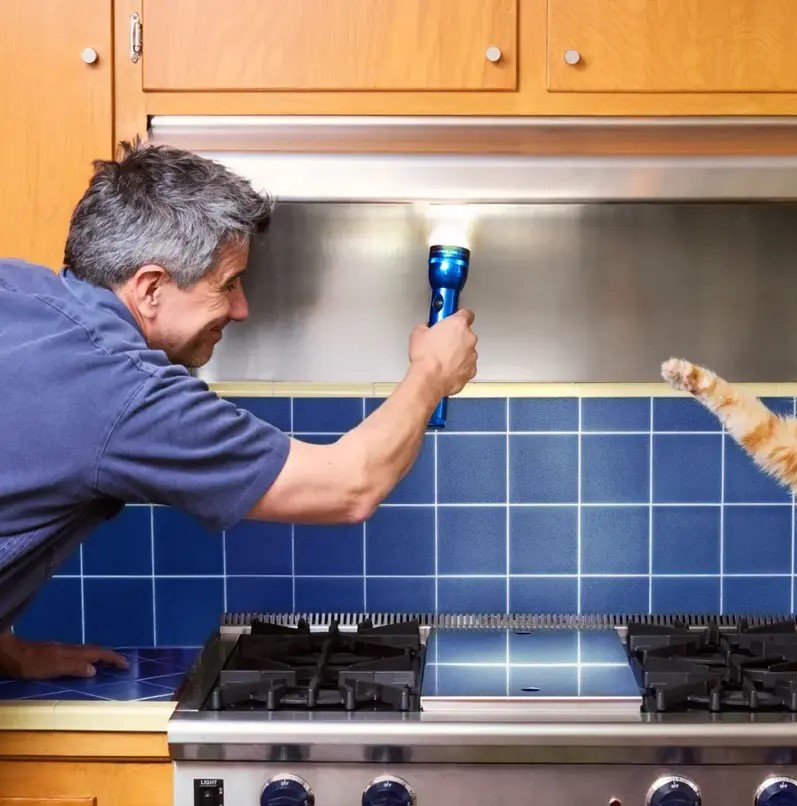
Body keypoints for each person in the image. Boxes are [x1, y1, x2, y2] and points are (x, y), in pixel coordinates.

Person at [0, 142, 478, 679]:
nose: (242, 308)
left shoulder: (16, 288)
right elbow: (349, 486)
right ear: (151, 287)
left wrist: (10, 652)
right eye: (226, 285)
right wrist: (432, 374)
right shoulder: (122, 392)